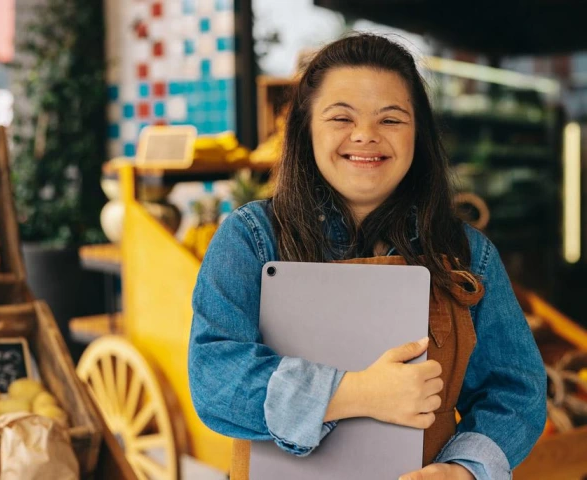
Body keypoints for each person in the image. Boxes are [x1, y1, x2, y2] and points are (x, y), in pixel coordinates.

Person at [188, 33, 546, 480]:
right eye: (341, 117)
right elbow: (214, 378)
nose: (365, 136)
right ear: (305, 127)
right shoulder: (252, 239)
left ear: (419, 133)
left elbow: (516, 391)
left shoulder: (467, 253)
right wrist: (358, 392)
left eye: (391, 120)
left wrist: (463, 469)